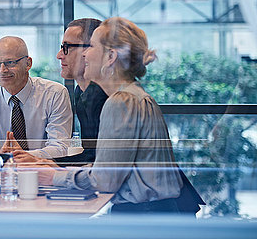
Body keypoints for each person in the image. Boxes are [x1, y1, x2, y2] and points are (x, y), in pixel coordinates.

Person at [15, 17, 184, 213]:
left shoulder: (120, 102)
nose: (85, 54)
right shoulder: (133, 96)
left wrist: (52, 175)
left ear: (110, 57)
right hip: (155, 211)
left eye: (92, 46)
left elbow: (105, 180)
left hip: (142, 215)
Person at [0, 36, 72, 158]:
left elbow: (60, 146)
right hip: (0, 169)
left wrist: (23, 156)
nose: (2, 70)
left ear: (28, 64)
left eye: (10, 63)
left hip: (43, 169)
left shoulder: (55, 94)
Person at [55, 18, 107, 164]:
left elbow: (98, 160)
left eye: (67, 47)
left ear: (90, 50)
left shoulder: (105, 96)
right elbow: (90, 155)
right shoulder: (81, 92)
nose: (59, 55)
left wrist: (47, 163)